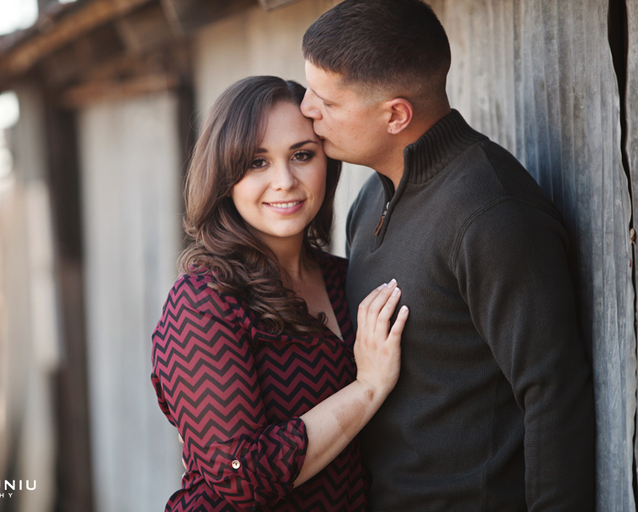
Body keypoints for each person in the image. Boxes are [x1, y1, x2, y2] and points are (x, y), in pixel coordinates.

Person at [299, 1, 595, 511]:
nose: (306, 109)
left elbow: (553, 394)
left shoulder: (491, 213)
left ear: (395, 114)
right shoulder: (371, 198)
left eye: (327, 101)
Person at [151, 76, 408, 511]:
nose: (285, 181)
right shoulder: (203, 300)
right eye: (257, 162)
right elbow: (241, 477)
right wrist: (367, 387)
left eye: (302, 155)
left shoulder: (346, 279)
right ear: (224, 175)